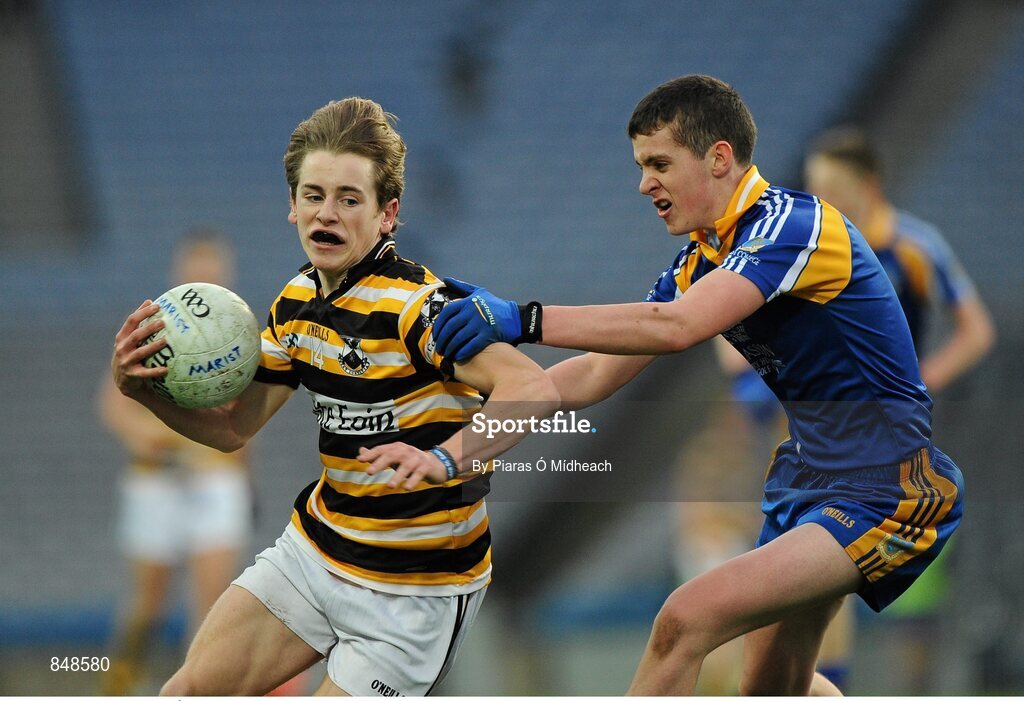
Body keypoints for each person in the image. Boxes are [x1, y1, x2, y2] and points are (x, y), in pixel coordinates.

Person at [429, 75, 964, 695]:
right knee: (776, 689)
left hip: (886, 486)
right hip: (808, 481)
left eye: (659, 163)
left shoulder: (794, 225)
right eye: (640, 166)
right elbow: (594, 374)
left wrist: (524, 319)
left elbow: (679, 326)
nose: (643, 183)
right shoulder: (700, 259)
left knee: (684, 621)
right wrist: (450, 453)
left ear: (718, 158)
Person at [110, 97, 559, 696]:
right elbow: (232, 429)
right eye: (315, 195)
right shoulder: (293, 304)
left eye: (350, 199)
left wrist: (446, 458)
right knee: (184, 692)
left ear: (387, 214)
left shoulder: (416, 309)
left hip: (414, 595)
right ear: (291, 207)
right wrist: (141, 393)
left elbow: (533, 387)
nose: (329, 213)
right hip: (316, 555)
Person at [99, 231, 255, 695]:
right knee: (148, 605)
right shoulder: (152, 325)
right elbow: (113, 404)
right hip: (158, 483)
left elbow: (246, 424)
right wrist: (163, 439)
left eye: (214, 269)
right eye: (197, 269)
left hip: (215, 484)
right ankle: (115, 687)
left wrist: (248, 483)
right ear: (180, 273)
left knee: (210, 607)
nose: (206, 277)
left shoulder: (239, 333)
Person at [803, 125, 995, 392]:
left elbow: (977, 331)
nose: (819, 199)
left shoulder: (915, 247)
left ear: (868, 187)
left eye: (833, 189)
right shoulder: (807, 247)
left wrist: (927, 378)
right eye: (814, 187)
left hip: (893, 414)